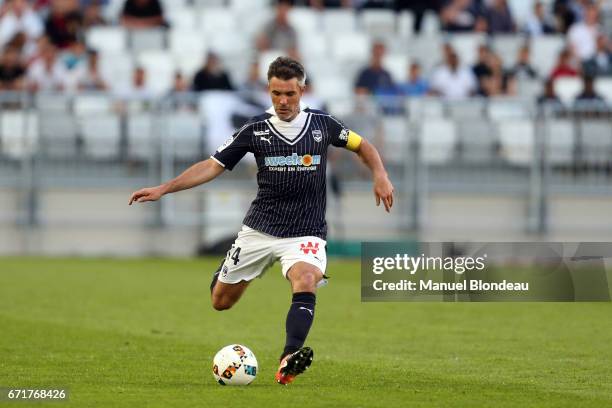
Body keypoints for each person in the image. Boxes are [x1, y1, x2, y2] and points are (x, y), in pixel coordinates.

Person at [128, 56, 394, 385]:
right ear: (268, 90)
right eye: (276, 94)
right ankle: (228, 269)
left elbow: (363, 145)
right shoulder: (255, 129)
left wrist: (380, 175)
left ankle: (288, 358)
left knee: (307, 279)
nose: (283, 101)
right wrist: (164, 188)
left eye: (290, 94)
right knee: (220, 302)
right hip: (260, 229)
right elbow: (211, 166)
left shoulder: (323, 125)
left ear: (302, 91)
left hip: (305, 232)